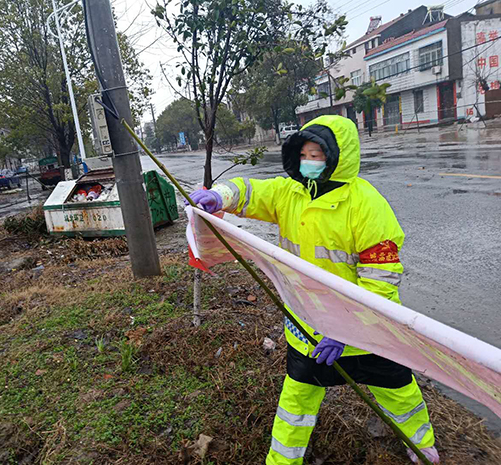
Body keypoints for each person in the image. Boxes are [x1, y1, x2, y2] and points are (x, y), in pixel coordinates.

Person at [188, 115, 439, 465]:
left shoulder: (368, 206)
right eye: (304, 153)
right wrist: (220, 196)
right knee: (297, 401)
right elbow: (252, 190)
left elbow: (381, 280)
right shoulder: (290, 194)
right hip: (308, 328)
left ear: (338, 157)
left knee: (398, 391)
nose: (309, 161)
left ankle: (422, 445)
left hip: (366, 331)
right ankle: (282, 460)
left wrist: (346, 330)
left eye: (317, 154)